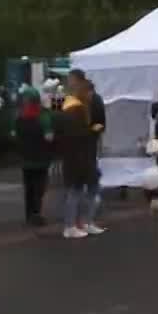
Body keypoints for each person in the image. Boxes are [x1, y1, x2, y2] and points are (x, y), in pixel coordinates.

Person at [56, 78, 106, 238]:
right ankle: (74, 225)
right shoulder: (76, 110)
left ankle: (81, 223)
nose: (92, 95)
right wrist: (93, 131)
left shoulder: (72, 107)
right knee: (78, 190)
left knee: (79, 190)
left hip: (77, 157)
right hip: (80, 157)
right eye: (90, 92)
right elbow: (78, 135)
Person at [13, 85, 53, 227]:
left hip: (25, 159)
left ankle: (29, 214)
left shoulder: (19, 117)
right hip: (41, 160)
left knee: (29, 188)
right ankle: (36, 214)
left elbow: (14, 136)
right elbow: (49, 137)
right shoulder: (44, 117)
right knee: (39, 188)